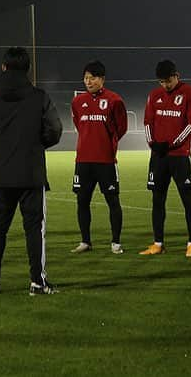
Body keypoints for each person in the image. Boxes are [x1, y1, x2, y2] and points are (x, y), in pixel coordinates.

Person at [0, 47, 63, 295]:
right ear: (28, 69)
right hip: (31, 173)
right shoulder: (39, 96)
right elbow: (55, 131)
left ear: (3, 67)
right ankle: (37, 283)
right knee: (34, 229)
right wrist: (35, 142)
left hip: (0, 174)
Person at [141, 60, 191, 257]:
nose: (165, 85)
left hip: (180, 156)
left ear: (177, 75)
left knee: (187, 199)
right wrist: (153, 144)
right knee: (157, 200)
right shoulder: (154, 95)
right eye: (161, 82)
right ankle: (158, 243)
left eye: (168, 81)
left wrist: (172, 143)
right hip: (158, 157)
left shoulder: (189, 93)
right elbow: (148, 121)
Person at [70, 60, 128, 255]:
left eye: (92, 78)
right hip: (83, 161)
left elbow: (121, 128)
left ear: (102, 79)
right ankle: (85, 241)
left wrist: (107, 143)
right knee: (82, 201)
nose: (88, 81)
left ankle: (116, 243)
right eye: (86, 78)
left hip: (106, 161)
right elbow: (80, 124)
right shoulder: (77, 101)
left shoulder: (114, 100)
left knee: (113, 201)